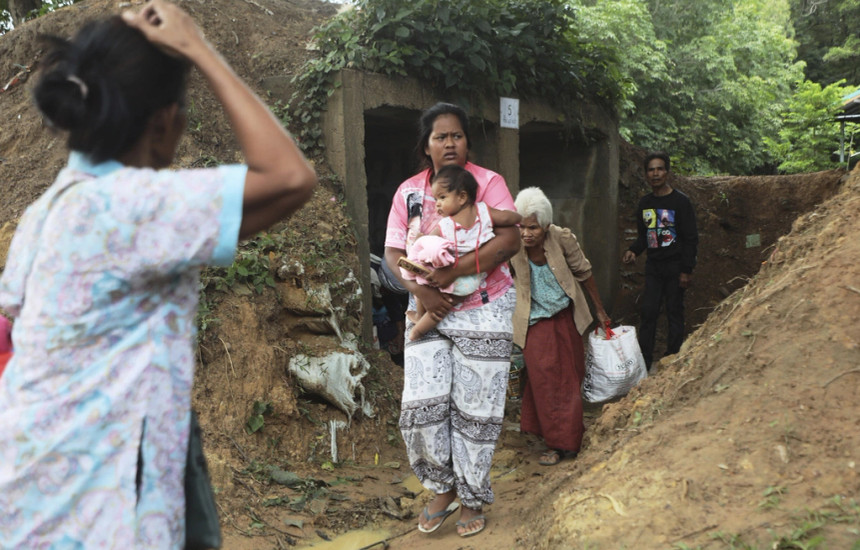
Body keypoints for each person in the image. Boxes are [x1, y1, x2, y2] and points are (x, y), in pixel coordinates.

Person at [0, 2, 317, 547]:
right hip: (102, 504)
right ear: (164, 119)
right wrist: (199, 50)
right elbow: (290, 177)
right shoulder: (134, 203)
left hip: (30, 484)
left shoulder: (45, 212)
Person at [383, 102, 520, 538]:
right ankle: (443, 488)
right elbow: (391, 253)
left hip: (485, 306)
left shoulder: (488, 183)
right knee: (421, 407)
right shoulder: (409, 192)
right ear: (426, 145)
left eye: (457, 135)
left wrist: (454, 272)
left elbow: (511, 238)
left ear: (467, 142)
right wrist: (423, 291)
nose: (449, 142)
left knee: (476, 409)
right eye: (440, 136)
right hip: (426, 310)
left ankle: (473, 495)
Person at [510, 187, 611, 466]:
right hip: (535, 324)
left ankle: (571, 438)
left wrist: (599, 310)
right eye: (522, 227)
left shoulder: (562, 239)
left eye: (533, 227)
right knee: (545, 383)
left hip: (566, 318)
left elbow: (584, 272)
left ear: (545, 226)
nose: (526, 233)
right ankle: (556, 444)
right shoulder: (511, 245)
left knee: (570, 379)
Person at [400, 164, 521, 341]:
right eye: (436, 199)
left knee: (429, 294)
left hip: (449, 271)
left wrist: (419, 240)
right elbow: (507, 217)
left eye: (442, 197)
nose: (438, 204)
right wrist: (520, 218)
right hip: (471, 279)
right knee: (447, 304)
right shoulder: (484, 212)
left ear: (462, 197)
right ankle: (420, 326)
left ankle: (418, 325)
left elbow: (427, 242)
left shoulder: (445, 225)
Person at [622, 151, 698, 370]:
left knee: (674, 310)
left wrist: (686, 269)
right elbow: (645, 235)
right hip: (654, 267)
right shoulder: (645, 203)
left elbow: (690, 238)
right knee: (648, 312)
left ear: (667, 172)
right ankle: (644, 362)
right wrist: (633, 251)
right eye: (651, 169)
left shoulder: (681, 202)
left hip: (675, 266)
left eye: (660, 169)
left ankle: (672, 358)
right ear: (646, 174)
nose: (655, 173)